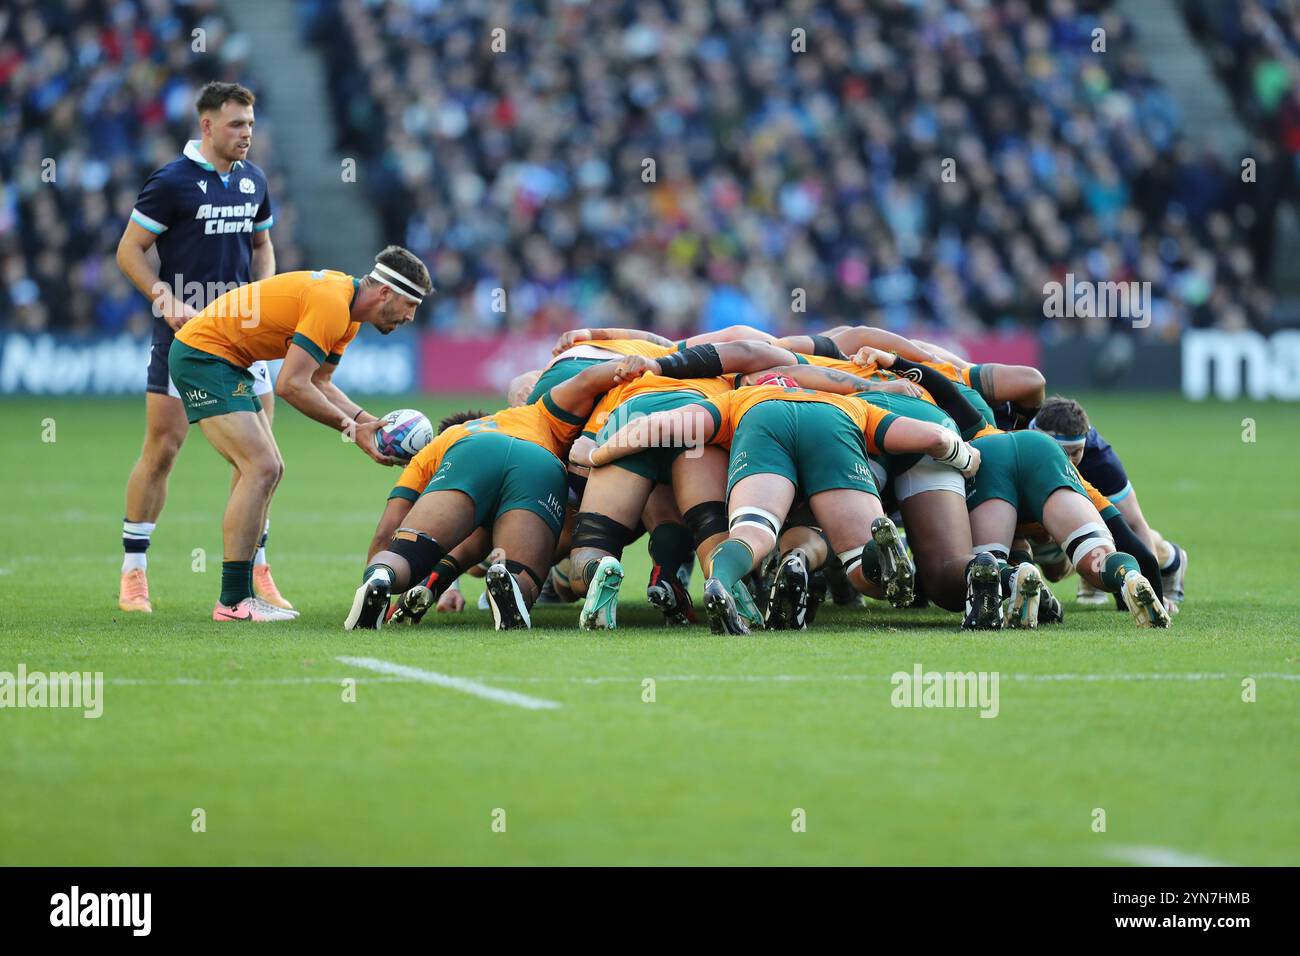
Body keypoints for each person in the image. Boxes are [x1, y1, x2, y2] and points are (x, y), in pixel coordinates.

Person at [170, 247, 432, 621]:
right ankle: (232, 602)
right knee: (260, 467)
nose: (410, 316)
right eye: (410, 304)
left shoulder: (348, 315)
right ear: (385, 293)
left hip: (226, 361)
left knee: (269, 469)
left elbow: (320, 381)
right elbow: (291, 385)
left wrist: (367, 422)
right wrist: (352, 430)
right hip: (204, 357)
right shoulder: (332, 304)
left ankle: (238, 598)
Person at [115, 82, 285, 613]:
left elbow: (262, 245)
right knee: (163, 448)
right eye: (237, 125)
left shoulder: (253, 180)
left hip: (244, 339)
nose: (247, 135)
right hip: (184, 339)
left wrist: (264, 298)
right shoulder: (172, 182)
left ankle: (257, 569)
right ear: (207, 125)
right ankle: (134, 572)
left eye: (251, 125)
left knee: (258, 461)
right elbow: (129, 250)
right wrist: (163, 296)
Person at [346, 356, 657, 631]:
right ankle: (509, 581)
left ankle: (382, 579)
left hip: (469, 455)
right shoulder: (537, 412)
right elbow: (586, 380)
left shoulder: (446, 441)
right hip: (536, 461)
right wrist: (626, 366)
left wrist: (379, 570)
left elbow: (387, 530)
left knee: (407, 553)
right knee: (525, 574)